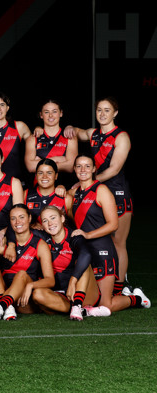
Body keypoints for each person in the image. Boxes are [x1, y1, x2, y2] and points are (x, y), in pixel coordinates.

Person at [63, 97, 132, 294]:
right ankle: (101, 283)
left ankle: (119, 287)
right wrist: (69, 127)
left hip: (117, 192)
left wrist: (87, 183)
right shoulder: (94, 133)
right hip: (95, 192)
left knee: (118, 242)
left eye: (107, 110)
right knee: (100, 240)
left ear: (115, 113)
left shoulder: (121, 136)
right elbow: (77, 132)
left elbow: (114, 169)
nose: (102, 114)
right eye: (99, 110)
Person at [66, 155, 149, 312]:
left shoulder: (101, 190)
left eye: (87, 166)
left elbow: (113, 224)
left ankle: (137, 299)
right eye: (79, 166)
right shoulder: (74, 192)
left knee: (105, 305)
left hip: (103, 251)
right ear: (74, 169)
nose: (83, 170)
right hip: (84, 253)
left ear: (94, 169)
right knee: (89, 302)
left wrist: (88, 235)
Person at [0, 204, 55, 321]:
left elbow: (50, 280)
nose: (17, 222)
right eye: (13, 218)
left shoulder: (40, 245)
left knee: (21, 274)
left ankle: (2, 306)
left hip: (23, 300)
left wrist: (31, 285)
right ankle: (6, 306)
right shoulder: (1, 242)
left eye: (21, 217)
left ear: (30, 218)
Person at [33, 206, 104, 320]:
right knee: (37, 295)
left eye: (53, 218)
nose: (50, 223)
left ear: (62, 218)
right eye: (45, 221)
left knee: (82, 261)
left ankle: (77, 305)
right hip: (62, 295)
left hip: (83, 292)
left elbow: (86, 255)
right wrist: (3, 233)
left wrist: (72, 281)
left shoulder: (73, 236)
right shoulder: (43, 237)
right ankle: (84, 311)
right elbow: (18, 228)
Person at [25, 99, 77, 180]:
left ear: (61, 113)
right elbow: (30, 167)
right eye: (46, 112)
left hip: (65, 187)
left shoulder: (69, 137)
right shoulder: (33, 138)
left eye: (54, 111)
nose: (50, 115)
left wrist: (42, 162)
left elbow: (70, 167)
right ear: (41, 115)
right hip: (39, 188)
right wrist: (59, 159)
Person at [0, 92, 32, 181]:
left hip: (17, 182)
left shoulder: (19, 126)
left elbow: (36, 148)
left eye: (2, 105)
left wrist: (38, 128)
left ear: (7, 108)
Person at [24, 158, 66, 226]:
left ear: (56, 176)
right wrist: (31, 225)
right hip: (34, 236)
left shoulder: (66, 198)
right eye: (40, 173)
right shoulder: (25, 195)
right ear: (36, 176)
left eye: (49, 173)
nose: (44, 176)